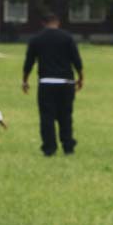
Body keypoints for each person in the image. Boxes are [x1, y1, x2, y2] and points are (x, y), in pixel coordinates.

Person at [22, 11, 84, 156]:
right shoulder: (67, 38)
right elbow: (76, 59)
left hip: (46, 82)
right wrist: (81, 78)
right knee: (66, 116)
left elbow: (29, 62)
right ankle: (68, 146)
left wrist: (25, 80)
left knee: (46, 117)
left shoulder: (36, 39)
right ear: (58, 22)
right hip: (66, 82)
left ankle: (49, 148)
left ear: (43, 23)